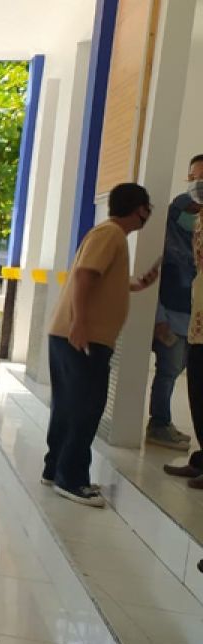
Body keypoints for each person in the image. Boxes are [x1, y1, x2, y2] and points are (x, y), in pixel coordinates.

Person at [44, 183, 161, 507]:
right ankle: (71, 479)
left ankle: (55, 470)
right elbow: (84, 276)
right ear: (139, 209)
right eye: (147, 207)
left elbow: (99, 279)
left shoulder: (108, 235)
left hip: (72, 334)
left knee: (69, 407)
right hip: (84, 336)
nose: (147, 214)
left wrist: (134, 284)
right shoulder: (110, 234)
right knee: (85, 408)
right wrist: (80, 323)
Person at [147, 155, 203, 450]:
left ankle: (163, 422)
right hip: (169, 311)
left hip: (194, 317)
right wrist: (158, 316)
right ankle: (159, 423)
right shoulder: (166, 226)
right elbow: (156, 274)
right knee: (169, 369)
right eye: (193, 177)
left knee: (179, 370)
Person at [165, 173, 203, 485]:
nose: (196, 184)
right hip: (197, 323)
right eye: (193, 178)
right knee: (196, 391)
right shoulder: (193, 221)